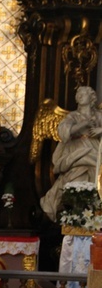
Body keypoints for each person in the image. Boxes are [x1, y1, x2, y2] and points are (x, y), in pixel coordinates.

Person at [40, 86, 102, 221]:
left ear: (91, 97)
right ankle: (77, 219)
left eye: (83, 93)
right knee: (76, 177)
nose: (79, 95)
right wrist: (83, 124)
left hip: (95, 150)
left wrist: (100, 131)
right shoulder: (72, 116)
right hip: (77, 150)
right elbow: (63, 131)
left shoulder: (98, 115)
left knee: (97, 178)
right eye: (78, 93)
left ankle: (94, 218)